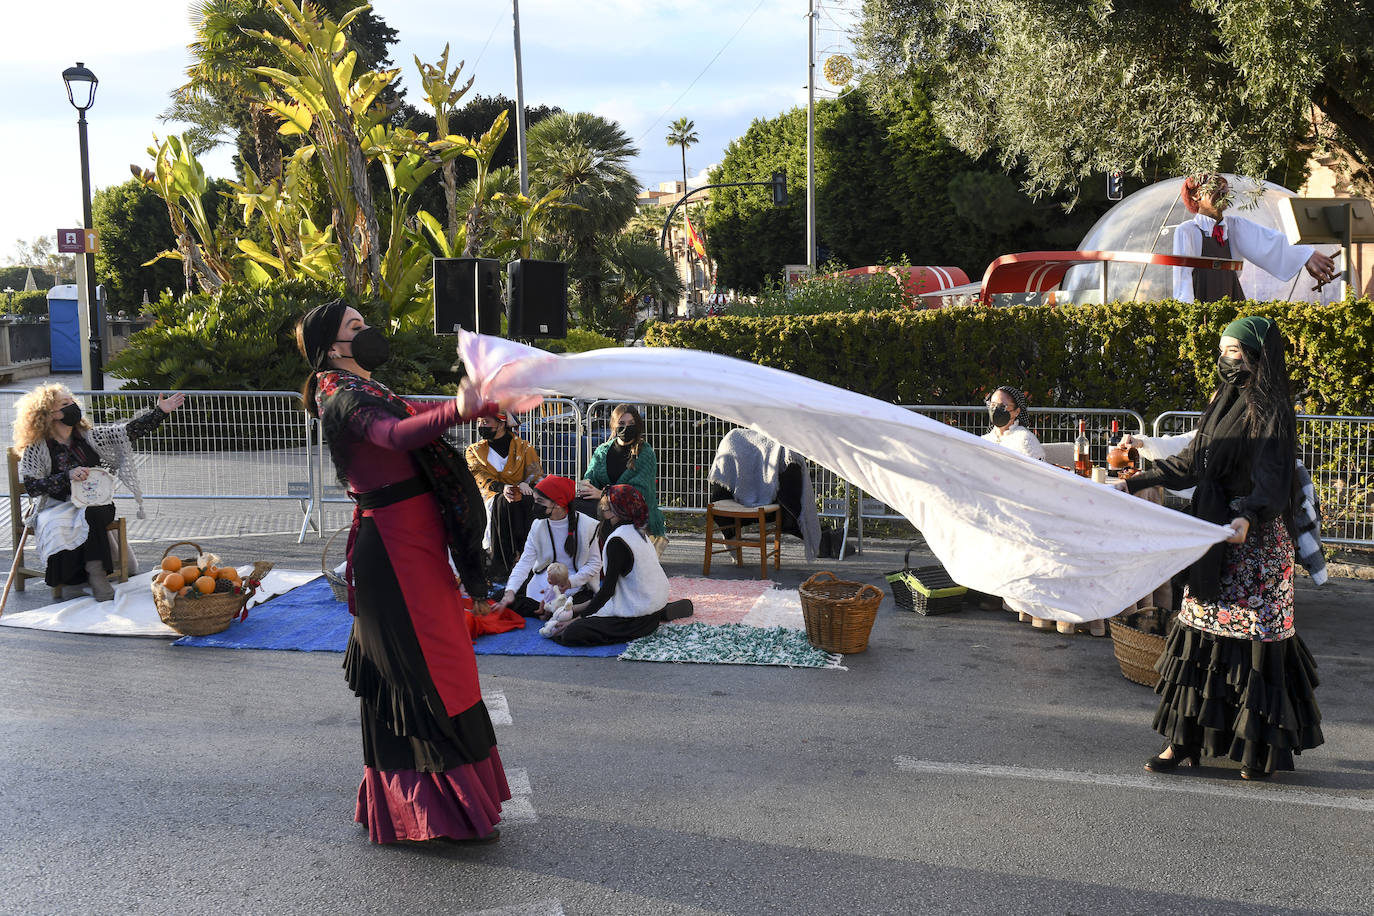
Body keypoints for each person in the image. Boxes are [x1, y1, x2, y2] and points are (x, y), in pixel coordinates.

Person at [296, 300, 510, 844]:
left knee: (448, 665)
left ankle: (448, 803)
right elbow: (395, 437)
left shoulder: (373, 391)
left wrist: (477, 410)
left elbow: (414, 421)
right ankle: (429, 811)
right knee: (425, 672)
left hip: (412, 544)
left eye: (365, 323)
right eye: (354, 327)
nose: (366, 332)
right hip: (391, 550)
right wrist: (459, 409)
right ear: (330, 346)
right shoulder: (341, 398)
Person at [1115, 315, 1322, 780]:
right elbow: (1193, 464)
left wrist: (1247, 514)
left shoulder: (1273, 411)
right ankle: (1184, 742)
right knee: (1199, 638)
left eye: (1233, 350)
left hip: (1253, 541)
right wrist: (1137, 481)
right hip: (1214, 535)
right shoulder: (1222, 401)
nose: (1224, 358)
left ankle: (1257, 750)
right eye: (1223, 349)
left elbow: (1273, 480)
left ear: (1256, 356)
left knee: (1255, 645)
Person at [13, 384, 184, 600]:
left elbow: (128, 431)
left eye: (72, 401)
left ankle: (97, 574)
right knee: (57, 524)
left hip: (95, 501)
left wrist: (160, 412)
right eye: (65, 404)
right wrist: (67, 475)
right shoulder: (37, 448)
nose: (73, 406)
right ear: (49, 414)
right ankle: (75, 575)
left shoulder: (90, 436)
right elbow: (33, 487)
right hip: (59, 505)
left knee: (94, 512)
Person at [550, 484, 692, 647]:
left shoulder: (618, 541)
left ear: (618, 509)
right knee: (589, 602)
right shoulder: (638, 530)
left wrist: (576, 620)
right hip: (650, 604)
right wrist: (575, 608)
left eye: (606, 505)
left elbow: (607, 591)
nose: (602, 509)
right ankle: (661, 611)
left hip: (635, 619)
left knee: (571, 633)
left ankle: (658, 614)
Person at [1172, 172, 1336, 303]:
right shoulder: (1188, 231)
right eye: (1214, 187)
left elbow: (1268, 240)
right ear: (1195, 195)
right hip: (1201, 305)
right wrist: (1189, 317)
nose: (1223, 191)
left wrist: (1307, 255)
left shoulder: (1234, 226)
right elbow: (1182, 279)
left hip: (1231, 299)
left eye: (1225, 188)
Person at [493, 474, 602, 618]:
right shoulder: (538, 525)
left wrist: (570, 582)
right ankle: (547, 610)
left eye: (540, 501)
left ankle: (549, 610)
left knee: (575, 605)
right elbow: (525, 563)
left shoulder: (587, 525)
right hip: (543, 583)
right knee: (500, 596)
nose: (535, 506)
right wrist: (510, 591)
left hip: (575, 586)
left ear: (558, 503)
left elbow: (595, 564)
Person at [574, 404, 667, 550]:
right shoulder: (602, 451)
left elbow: (639, 492)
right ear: (613, 425)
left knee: (610, 515)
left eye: (631, 424)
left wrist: (604, 494)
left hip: (634, 508)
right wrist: (584, 488)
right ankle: (583, 556)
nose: (626, 427)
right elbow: (590, 478)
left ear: (637, 426)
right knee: (577, 506)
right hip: (605, 507)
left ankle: (611, 558)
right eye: (622, 423)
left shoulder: (645, 453)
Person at [465, 412, 543, 581]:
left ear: (501, 424)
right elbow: (478, 476)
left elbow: (536, 476)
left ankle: (526, 557)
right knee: (503, 501)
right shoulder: (474, 450)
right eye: (479, 422)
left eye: (486, 421)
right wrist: (502, 487)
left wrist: (526, 484)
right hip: (489, 495)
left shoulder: (524, 447)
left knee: (524, 500)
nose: (481, 426)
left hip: (520, 495)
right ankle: (501, 562)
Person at [980, 385, 1046, 461]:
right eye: (993, 405)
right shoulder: (985, 440)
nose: (995, 409)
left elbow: (1039, 470)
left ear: (1017, 411)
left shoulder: (1025, 440)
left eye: (1002, 406)